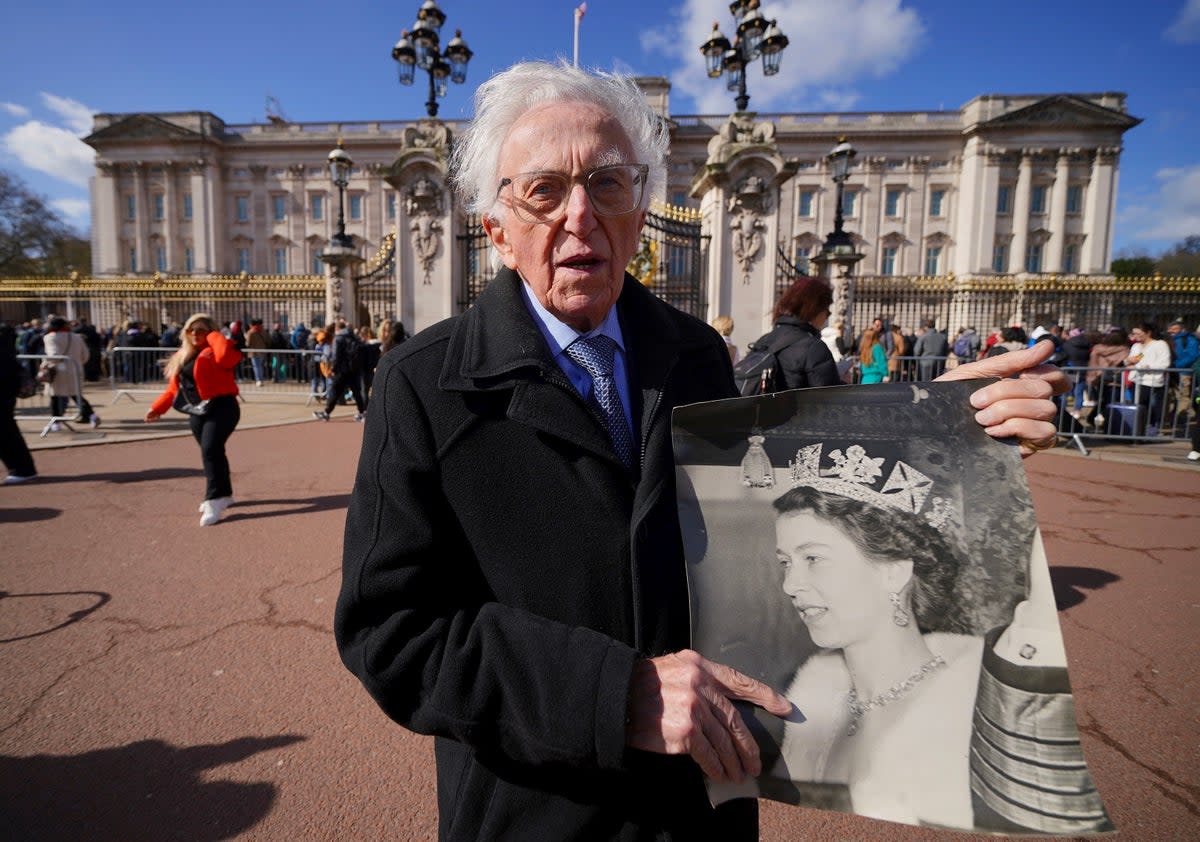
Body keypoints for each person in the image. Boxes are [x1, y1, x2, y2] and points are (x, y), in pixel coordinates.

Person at [333, 60, 1066, 841]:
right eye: (544, 190)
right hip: (539, 808)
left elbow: (771, 515)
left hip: (699, 807)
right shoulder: (421, 384)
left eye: (607, 185)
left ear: (641, 211)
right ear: (498, 230)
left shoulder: (695, 352)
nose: (579, 215)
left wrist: (942, 431)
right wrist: (614, 694)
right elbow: (391, 632)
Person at [770, 456, 1108, 832]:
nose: (789, 586)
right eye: (785, 562)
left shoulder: (975, 706)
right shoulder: (813, 696)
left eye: (813, 558)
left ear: (894, 571)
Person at [144, 313, 242, 526]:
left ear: (211, 332)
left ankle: (213, 499)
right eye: (191, 330)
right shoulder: (183, 355)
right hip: (196, 410)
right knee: (213, 452)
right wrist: (157, 408)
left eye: (201, 330)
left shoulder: (217, 350)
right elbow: (173, 390)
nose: (195, 334)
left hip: (223, 407)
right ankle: (224, 494)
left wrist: (215, 335)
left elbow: (226, 357)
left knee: (210, 449)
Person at [748, 276, 840, 390]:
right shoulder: (813, 347)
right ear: (814, 309)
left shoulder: (764, 340)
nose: (828, 315)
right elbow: (829, 398)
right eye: (827, 309)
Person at [42, 316, 100, 430]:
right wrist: (77, 362)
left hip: (58, 371)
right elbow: (86, 355)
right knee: (76, 395)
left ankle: (56, 422)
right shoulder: (76, 337)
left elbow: (53, 355)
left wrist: (44, 363)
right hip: (75, 369)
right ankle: (92, 415)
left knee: (56, 397)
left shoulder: (50, 337)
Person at [0, 324, 38, 483]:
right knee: (7, 431)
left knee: (6, 432)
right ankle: (23, 468)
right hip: (7, 387)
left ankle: (23, 469)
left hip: (4, 387)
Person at [312, 318, 366, 422]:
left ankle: (326, 412)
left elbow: (336, 356)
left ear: (337, 328)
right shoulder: (354, 336)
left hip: (341, 370)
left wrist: (333, 368)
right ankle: (362, 412)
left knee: (335, 391)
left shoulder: (338, 338)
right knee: (356, 392)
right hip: (353, 369)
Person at [245, 318, 270, 386]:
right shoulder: (263, 331)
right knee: (260, 366)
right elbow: (268, 340)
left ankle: (258, 380)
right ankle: (261, 379)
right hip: (262, 351)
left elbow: (247, 343)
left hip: (254, 352)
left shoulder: (250, 332)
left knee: (256, 366)